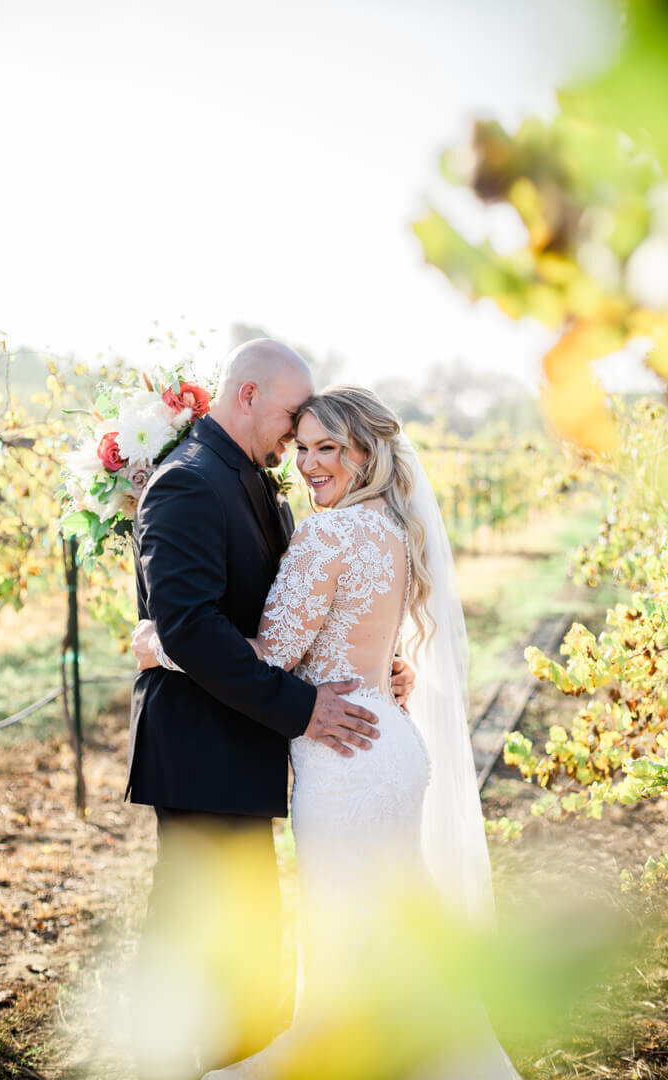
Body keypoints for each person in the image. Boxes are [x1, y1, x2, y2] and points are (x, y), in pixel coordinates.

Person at [133, 385, 523, 1079]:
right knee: (397, 929)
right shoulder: (394, 529)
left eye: (328, 450)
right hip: (392, 742)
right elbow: (363, 643)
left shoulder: (327, 531)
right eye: (302, 447)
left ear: (366, 452)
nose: (309, 465)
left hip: (342, 758)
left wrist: (159, 643)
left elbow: (274, 654)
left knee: (345, 941)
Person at [126, 342, 415, 1068]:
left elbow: (286, 620)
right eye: (293, 421)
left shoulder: (257, 482)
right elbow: (193, 626)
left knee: (253, 934)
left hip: (250, 738)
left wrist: (372, 666)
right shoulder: (190, 482)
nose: (297, 444)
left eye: (319, 441)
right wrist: (302, 707)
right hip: (202, 750)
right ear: (248, 394)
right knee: (207, 936)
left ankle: (243, 1056)